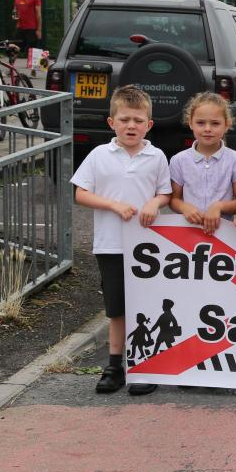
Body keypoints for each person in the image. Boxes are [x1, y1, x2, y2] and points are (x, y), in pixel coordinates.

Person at [70, 85, 172, 395]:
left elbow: (165, 192)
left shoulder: (156, 157)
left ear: (149, 125)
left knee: (146, 304)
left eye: (138, 121)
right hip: (111, 244)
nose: (131, 126)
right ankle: (116, 364)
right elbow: (80, 193)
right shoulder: (99, 155)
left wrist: (155, 204)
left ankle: (145, 363)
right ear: (112, 122)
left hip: (147, 249)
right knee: (117, 307)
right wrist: (113, 205)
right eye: (125, 119)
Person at [168, 93, 236, 235]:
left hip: (224, 235)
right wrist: (185, 208)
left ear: (226, 125)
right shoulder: (178, 160)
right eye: (200, 123)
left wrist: (219, 206)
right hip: (188, 234)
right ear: (190, 123)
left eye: (215, 123)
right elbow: (174, 200)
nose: (207, 129)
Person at [12, 0, 42, 69]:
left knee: (33, 50)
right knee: (14, 47)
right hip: (20, 27)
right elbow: (15, 9)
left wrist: (39, 29)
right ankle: (11, 67)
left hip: (32, 28)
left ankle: (33, 71)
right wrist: (14, 15)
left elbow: (38, 14)